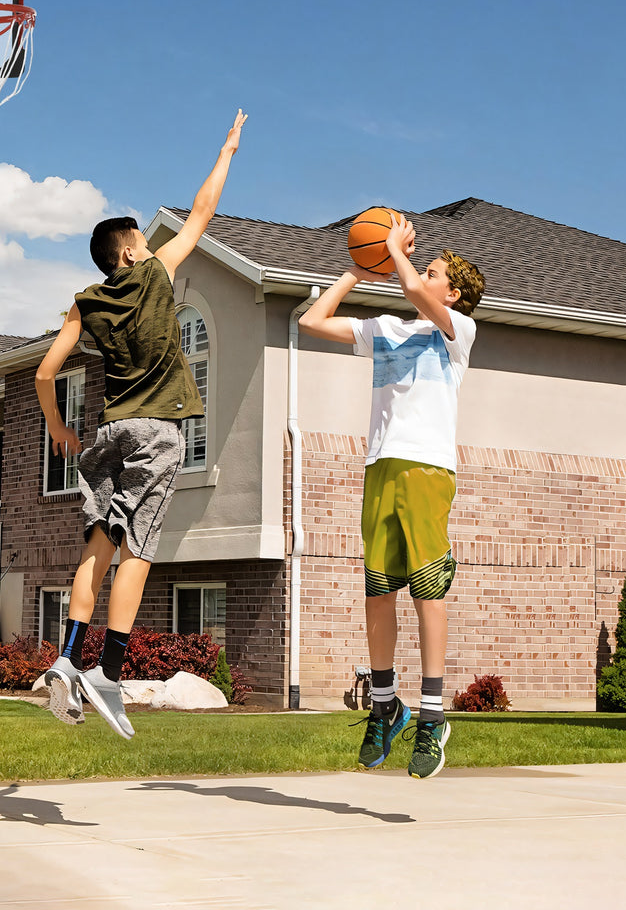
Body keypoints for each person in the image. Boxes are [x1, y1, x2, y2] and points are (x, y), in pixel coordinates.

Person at [35, 110, 248, 738]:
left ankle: (67, 657)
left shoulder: (85, 301)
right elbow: (202, 213)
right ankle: (108, 670)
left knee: (98, 546)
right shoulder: (156, 274)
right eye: (144, 243)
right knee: (139, 551)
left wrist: (58, 429)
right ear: (131, 252)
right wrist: (228, 148)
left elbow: (45, 373)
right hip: (157, 435)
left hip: (108, 437)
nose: (152, 248)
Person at [299, 216, 485, 778]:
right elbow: (312, 320)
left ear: (451, 295)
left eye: (432, 272)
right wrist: (357, 270)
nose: (419, 275)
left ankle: (432, 715)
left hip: (428, 471)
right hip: (380, 467)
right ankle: (387, 704)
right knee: (379, 591)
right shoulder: (385, 329)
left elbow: (410, 287)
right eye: (420, 267)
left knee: (428, 590)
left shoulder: (456, 333)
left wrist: (393, 251)